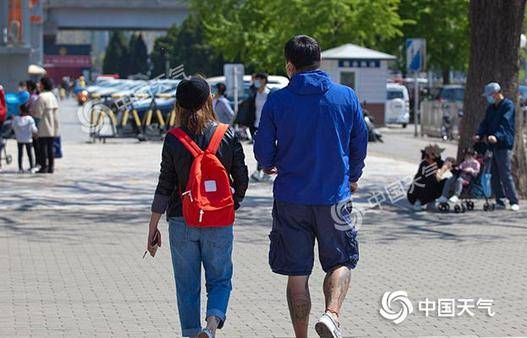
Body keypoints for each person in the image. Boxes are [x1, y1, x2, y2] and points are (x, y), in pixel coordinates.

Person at [254, 35, 368, 338]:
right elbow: (359, 141)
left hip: (291, 198)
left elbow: (263, 145)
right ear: (320, 62)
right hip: (335, 196)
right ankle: (331, 315)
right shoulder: (346, 96)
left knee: (297, 272)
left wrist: (268, 163)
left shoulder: (277, 100)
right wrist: (353, 176)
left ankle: (301, 336)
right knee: (341, 261)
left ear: (290, 66)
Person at [147, 76, 248, 338]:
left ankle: (191, 334)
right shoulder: (226, 133)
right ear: (208, 100)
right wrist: (229, 205)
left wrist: (153, 226)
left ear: (178, 105)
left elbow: (165, 184)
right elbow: (242, 177)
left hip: (182, 220)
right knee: (220, 279)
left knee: (186, 285)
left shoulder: (173, 139)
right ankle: (212, 326)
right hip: (218, 220)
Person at [475, 82, 520, 211]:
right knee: (494, 174)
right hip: (492, 144)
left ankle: (513, 201)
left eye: (489, 95)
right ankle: (500, 200)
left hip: (503, 144)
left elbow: (505, 124)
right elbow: (485, 123)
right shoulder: (491, 108)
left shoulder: (508, 105)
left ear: (495, 94)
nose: (488, 98)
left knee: (505, 173)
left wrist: (497, 136)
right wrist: (479, 134)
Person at [407, 144, 449, 211]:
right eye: (436, 153)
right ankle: (418, 202)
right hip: (415, 193)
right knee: (430, 182)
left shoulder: (436, 162)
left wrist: (447, 164)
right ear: (430, 154)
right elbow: (432, 178)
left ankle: (431, 202)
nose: (438, 155)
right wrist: (441, 172)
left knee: (445, 182)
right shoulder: (424, 164)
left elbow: (447, 163)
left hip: (429, 189)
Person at [34, 77, 60, 174]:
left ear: (43, 85)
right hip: (52, 125)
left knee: (42, 148)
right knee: (50, 147)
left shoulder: (41, 97)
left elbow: (38, 114)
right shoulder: (52, 96)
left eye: (40, 83)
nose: (38, 85)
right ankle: (51, 166)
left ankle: (43, 166)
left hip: (43, 125)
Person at [249, 72, 271, 182]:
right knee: (258, 148)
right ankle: (260, 170)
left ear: (263, 80)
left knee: (265, 148)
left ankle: (263, 170)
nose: (256, 82)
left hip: (268, 126)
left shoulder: (270, 94)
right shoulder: (254, 94)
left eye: (258, 80)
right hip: (256, 125)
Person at [12, 104, 37, 172]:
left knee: (20, 154)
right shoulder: (30, 119)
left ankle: (20, 168)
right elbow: (34, 129)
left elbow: (13, 127)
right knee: (29, 154)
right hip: (28, 138)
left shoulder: (16, 119)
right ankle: (31, 167)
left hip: (19, 139)